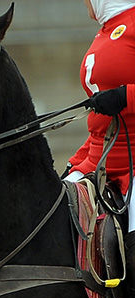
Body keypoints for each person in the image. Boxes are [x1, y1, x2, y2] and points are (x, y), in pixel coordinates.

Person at [64, 0, 135, 234]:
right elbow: (101, 126)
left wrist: (125, 96)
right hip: (98, 163)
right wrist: (75, 162)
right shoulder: (105, 31)